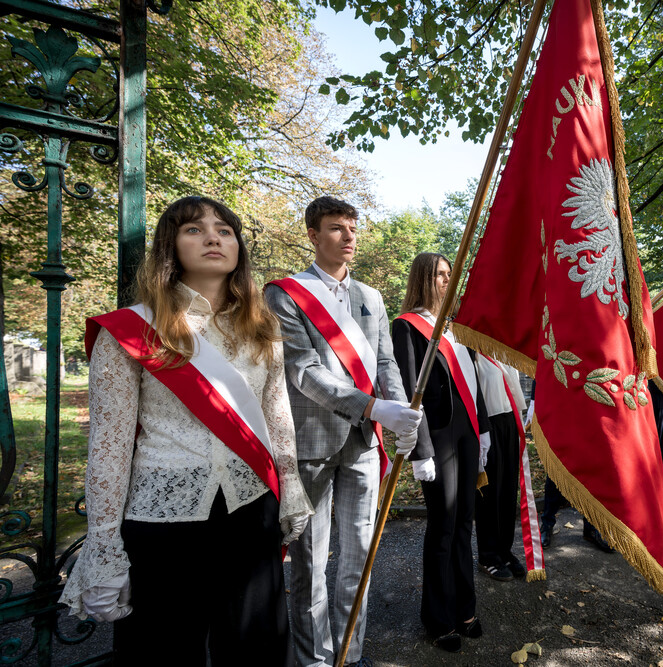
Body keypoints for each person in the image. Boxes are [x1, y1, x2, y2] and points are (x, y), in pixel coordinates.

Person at [61, 196, 313, 666]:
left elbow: (278, 414)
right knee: (163, 651)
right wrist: (102, 542)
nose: (213, 237)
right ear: (170, 247)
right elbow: (110, 446)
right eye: (194, 229)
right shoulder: (132, 331)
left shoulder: (263, 328)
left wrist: (292, 485)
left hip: (251, 508)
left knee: (256, 647)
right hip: (163, 520)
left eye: (224, 229)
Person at [264, 197, 421, 667]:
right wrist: (376, 407)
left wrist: (403, 412)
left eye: (352, 228)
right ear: (313, 235)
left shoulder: (371, 297)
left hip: (364, 443)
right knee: (310, 561)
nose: (348, 237)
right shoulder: (285, 295)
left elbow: (387, 363)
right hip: (311, 443)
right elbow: (304, 372)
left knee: (360, 554)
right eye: (336, 228)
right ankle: (312, 658)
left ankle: (348, 652)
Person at [391, 253, 491, 653]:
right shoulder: (407, 327)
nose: (446, 282)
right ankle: (438, 617)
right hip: (438, 436)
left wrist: (482, 429)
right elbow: (409, 393)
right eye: (439, 275)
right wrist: (421, 451)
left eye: (450, 275)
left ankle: (465, 608)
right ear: (422, 279)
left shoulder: (453, 327)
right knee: (443, 527)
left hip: (466, 431)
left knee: (465, 523)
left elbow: (473, 381)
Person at [473, 355, 528, 581]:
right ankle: (487, 555)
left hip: (508, 421)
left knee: (507, 489)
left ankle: (504, 551)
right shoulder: (468, 349)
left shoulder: (500, 347)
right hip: (486, 424)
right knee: (489, 492)